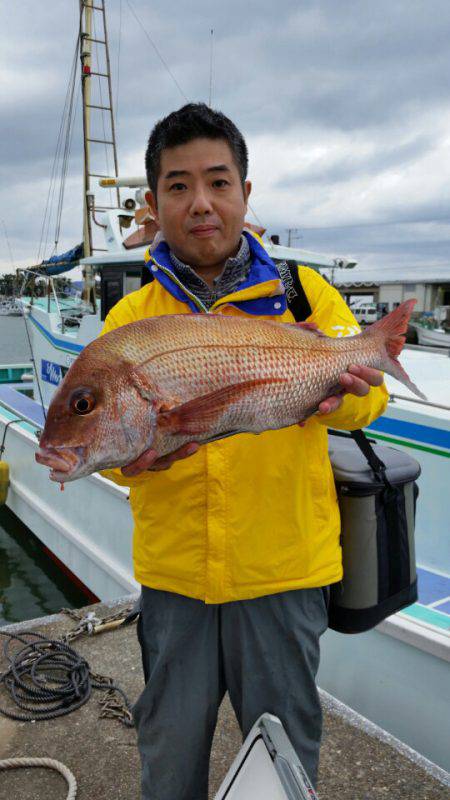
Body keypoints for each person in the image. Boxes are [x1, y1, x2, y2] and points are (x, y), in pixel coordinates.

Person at [100, 103, 388, 800]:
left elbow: (367, 398)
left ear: (245, 196)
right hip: (177, 582)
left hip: (284, 575)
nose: (200, 203)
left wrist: (341, 393)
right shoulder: (130, 321)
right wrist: (126, 460)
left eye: (218, 182)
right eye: (177, 186)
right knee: (168, 756)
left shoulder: (303, 295)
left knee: (285, 756)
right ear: (155, 202)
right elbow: (104, 443)